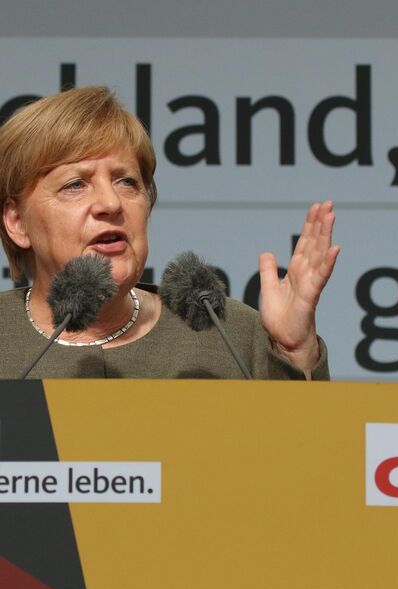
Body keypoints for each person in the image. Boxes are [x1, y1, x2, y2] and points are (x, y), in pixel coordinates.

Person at [0, 86, 339, 379]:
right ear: (17, 222)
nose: (111, 203)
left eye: (126, 181)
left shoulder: (228, 334)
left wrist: (294, 352)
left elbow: (307, 434)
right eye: (76, 184)